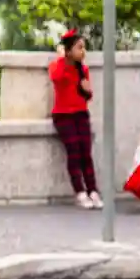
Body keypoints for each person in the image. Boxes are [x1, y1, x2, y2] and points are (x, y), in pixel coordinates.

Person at [48, 30, 101, 209]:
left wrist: (87, 91)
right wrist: (63, 59)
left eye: (83, 47)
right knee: (74, 152)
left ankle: (93, 190)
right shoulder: (57, 66)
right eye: (79, 47)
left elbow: (86, 97)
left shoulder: (83, 69)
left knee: (86, 152)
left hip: (80, 113)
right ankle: (80, 192)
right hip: (63, 115)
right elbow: (56, 78)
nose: (83, 51)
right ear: (69, 50)